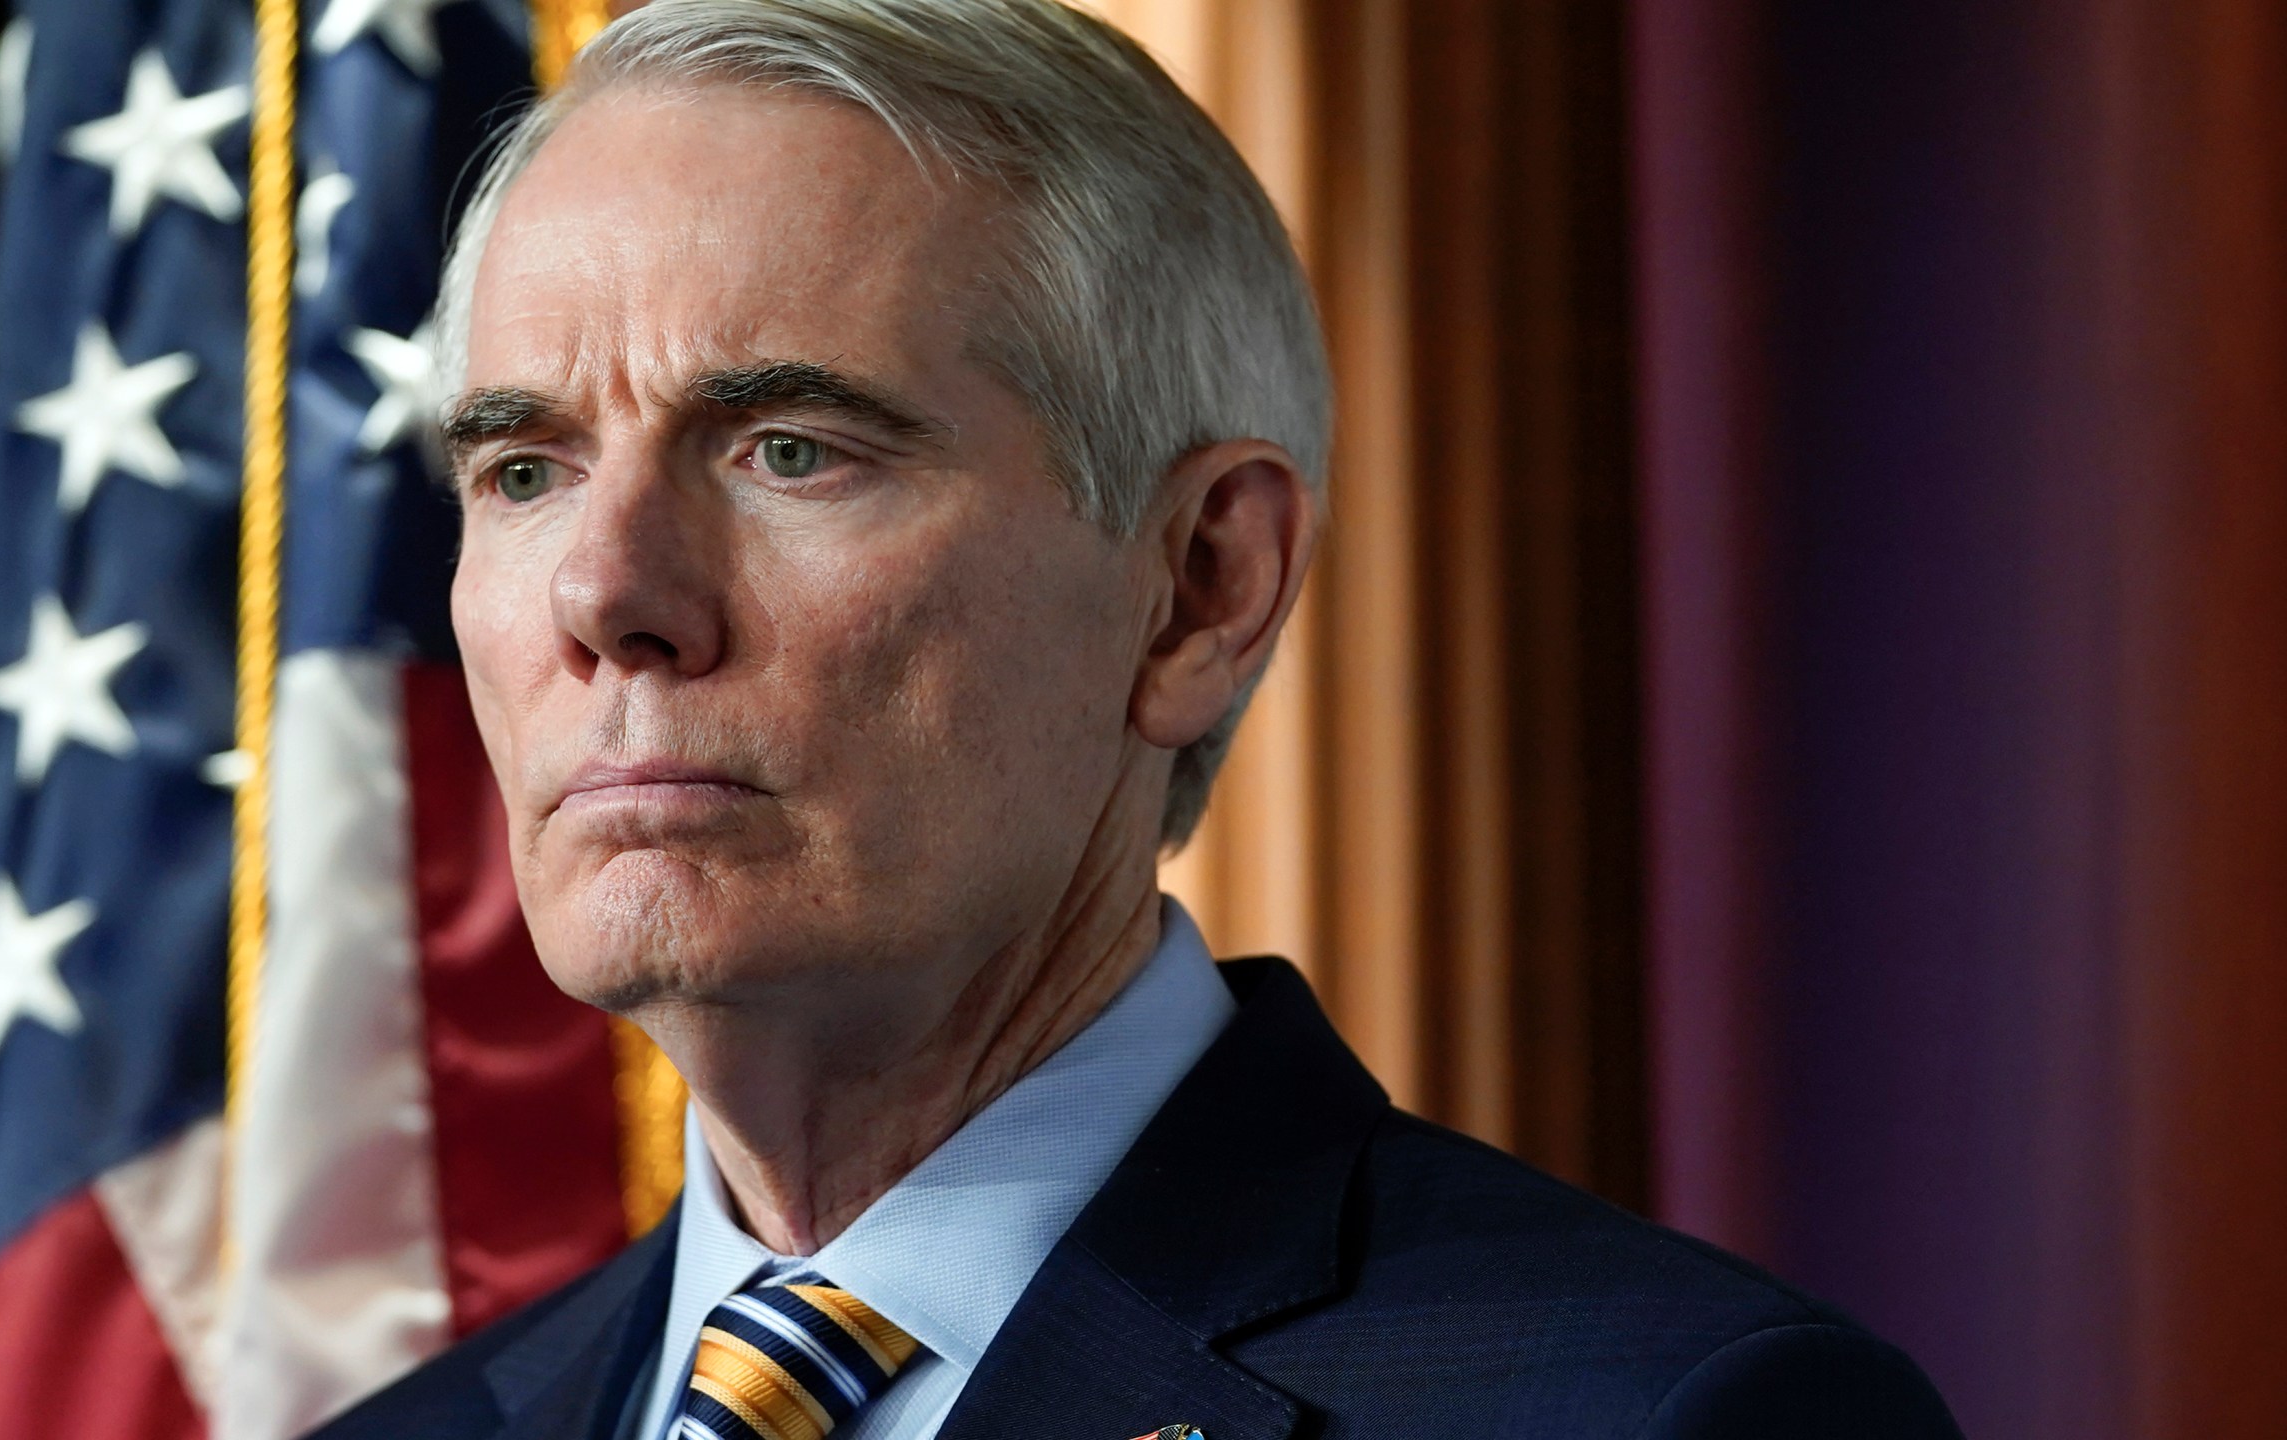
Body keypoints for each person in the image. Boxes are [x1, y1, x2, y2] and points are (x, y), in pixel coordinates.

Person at [319, 2, 1961, 1437]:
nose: (604, 595)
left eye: (793, 449)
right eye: (524, 470)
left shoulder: (1666, 1414)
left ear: (1198, 587)